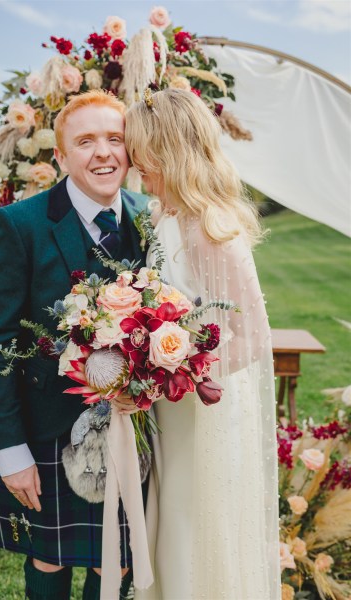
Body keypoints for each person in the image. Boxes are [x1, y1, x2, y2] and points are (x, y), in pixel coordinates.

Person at [0, 89, 148, 600]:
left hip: (128, 427)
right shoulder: (22, 224)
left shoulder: (150, 217)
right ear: (60, 156)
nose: (102, 152)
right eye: (85, 141)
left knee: (115, 561)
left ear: (130, 148)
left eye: (114, 138)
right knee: (49, 557)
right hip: (44, 430)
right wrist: (11, 451)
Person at [125, 88, 281, 599]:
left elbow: (254, 336)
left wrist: (177, 374)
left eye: (141, 152)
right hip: (170, 411)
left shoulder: (211, 228)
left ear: (170, 150)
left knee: (193, 528)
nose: (133, 164)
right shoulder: (162, 217)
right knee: (170, 521)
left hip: (201, 410)